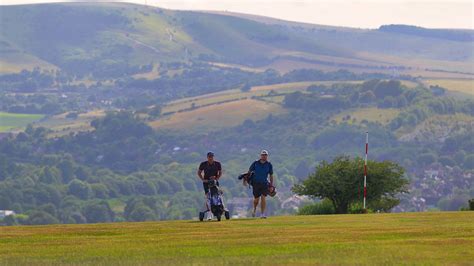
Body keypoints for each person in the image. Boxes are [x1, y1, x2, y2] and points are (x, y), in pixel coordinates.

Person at [248, 150, 274, 218]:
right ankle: (254, 209)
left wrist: (271, 185)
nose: (264, 156)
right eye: (262, 155)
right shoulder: (255, 163)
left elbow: (271, 175)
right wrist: (247, 179)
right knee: (256, 199)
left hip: (264, 183)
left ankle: (262, 214)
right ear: (260, 156)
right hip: (256, 183)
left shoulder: (269, 164)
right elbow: (249, 171)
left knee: (263, 197)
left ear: (267, 156)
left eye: (265, 155)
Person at [197, 151, 222, 219]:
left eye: (212, 157)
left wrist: (217, 178)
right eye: (209, 157)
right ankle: (209, 212)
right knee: (208, 196)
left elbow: (220, 172)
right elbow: (199, 172)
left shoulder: (217, 164)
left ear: (213, 157)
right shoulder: (203, 164)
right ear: (207, 157)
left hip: (215, 181)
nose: (210, 158)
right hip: (206, 182)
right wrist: (203, 179)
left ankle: (218, 208)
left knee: (217, 195)